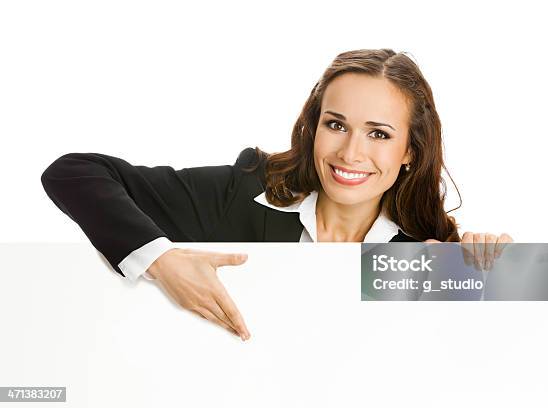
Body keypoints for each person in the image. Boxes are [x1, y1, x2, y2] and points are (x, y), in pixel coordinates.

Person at [41, 48, 513, 341]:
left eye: (379, 134)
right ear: (313, 127)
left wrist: (487, 273)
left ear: (411, 149)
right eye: (336, 125)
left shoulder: (423, 255)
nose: (351, 153)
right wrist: (160, 259)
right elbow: (75, 173)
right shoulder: (242, 191)